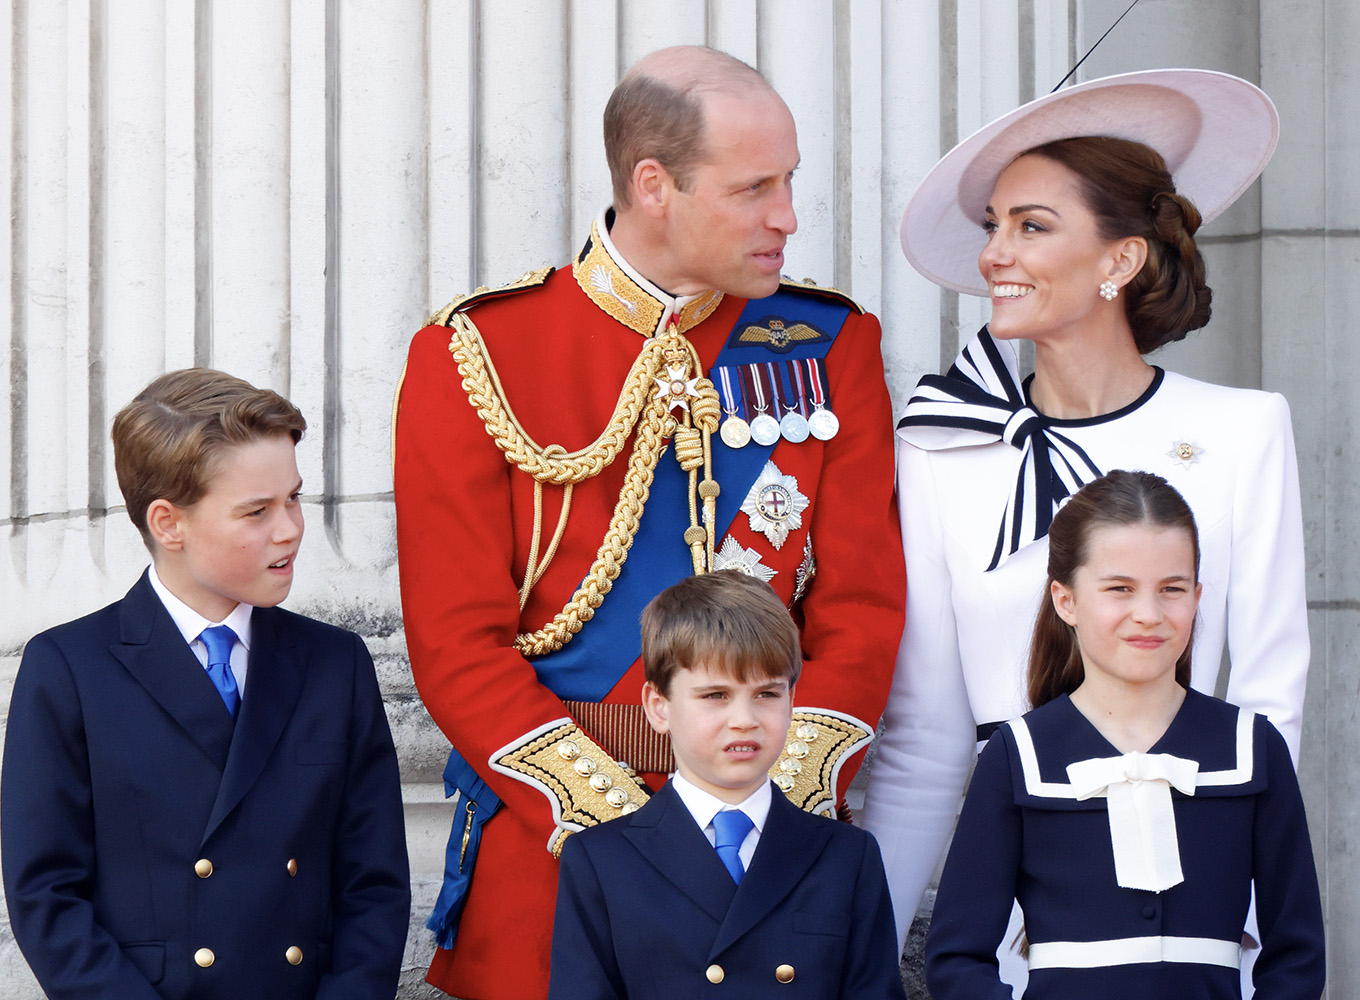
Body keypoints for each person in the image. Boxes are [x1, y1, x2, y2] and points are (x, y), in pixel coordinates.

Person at [393, 45, 903, 999]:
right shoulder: (478, 353)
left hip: (771, 844)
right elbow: (456, 643)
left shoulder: (831, 344)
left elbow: (863, 609)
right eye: (755, 188)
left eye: (789, 182)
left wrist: (766, 800)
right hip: (554, 859)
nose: (788, 215)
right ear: (654, 184)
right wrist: (622, 828)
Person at [860, 69, 1309, 970]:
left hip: (1191, 901)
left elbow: (1269, 712)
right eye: (994, 226)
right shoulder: (942, 447)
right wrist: (859, 950)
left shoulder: (1241, 431)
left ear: (1119, 260)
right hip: (1013, 910)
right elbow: (926, 743)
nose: (995, 253)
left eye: (1031, 226)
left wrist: (1250, 954)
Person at [1, 369, 411, 1000]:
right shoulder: (69, 668)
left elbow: (374, 885)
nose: (290, 528)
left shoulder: (336, 663)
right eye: (257, 510)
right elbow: (46, 896)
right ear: (169, 524)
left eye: (294, 498)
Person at [925, 470, 1325, 999]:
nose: (1148, 615)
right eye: (1120, 589)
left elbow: (1297, 956)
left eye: (1172, 590)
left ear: (1198, 595)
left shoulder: (1252, 748)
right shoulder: (1016, 755)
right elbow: (956, 960)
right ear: (1065, 600)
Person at [548, 571, 907, 999]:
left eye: (767, 694)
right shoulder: (600, 860)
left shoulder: (847, 856)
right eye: (715, 695)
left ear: (793, 700)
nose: (744, 719)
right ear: (658, 708)